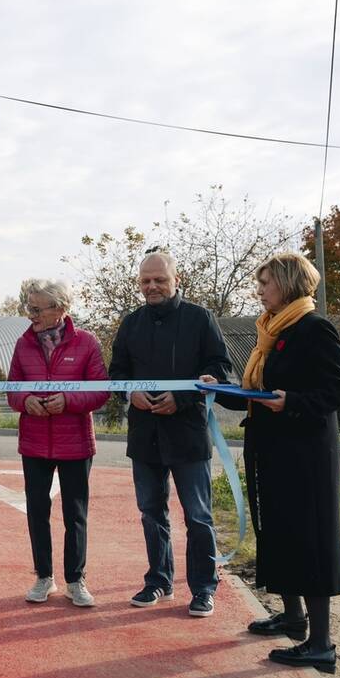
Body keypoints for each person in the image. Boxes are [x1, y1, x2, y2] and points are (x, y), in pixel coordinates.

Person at [203, 252, 340, 674]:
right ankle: (292, 617)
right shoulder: (271, 330)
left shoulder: (313, 328)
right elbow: (261, 393)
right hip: (272, 451)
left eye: (266, 282)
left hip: (305, 456)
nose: (260, 289)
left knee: (309, 539)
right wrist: (220, 390)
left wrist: (294, 404)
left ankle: (321, 642)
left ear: (286, 283)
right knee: (281, 532)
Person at [108, 250, 231, 618]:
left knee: (197, 515)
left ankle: (204, 588)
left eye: (159, 279)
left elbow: (219, 368)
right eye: (146, 281)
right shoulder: (131, 324)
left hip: (188, 434)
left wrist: (181, 397)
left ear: (177, 280)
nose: (152, 286)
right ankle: (158, 580)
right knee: (150, 512)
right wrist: (132, 393)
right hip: (145, 435)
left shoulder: (200, 318)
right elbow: (117, 373)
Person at [6, 279, 109, 606]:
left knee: (75, 514)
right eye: (29, 308)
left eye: (37, 309)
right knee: (37, 511)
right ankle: (43, 577)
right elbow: (13, 389)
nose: (30, 315)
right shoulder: (23, 344)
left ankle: (76, 580)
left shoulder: (87, 343)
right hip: (34, 442)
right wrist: (27, 401)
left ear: (60, 309)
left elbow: (101, 390)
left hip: (75, 442)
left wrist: (68, 400)